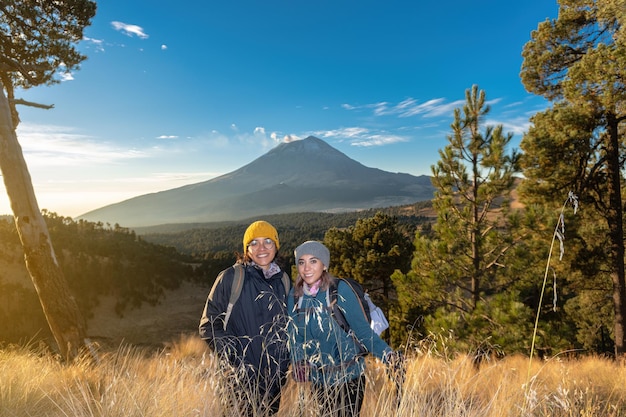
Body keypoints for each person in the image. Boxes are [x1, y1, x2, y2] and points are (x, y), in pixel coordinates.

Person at [287, 240, 404, 417]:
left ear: (324, 265)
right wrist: (299, 361)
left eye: (313, 261)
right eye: (301, 262)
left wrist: (389, 356)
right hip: (319, 382)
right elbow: (294, 337)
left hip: (350, 379)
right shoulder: (295, 297)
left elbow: (363, 332)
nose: (306, 268)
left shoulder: (339, 290)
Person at [199, 220, 291, 416]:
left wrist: (283, 366)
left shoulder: (283, 281)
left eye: (268, 241)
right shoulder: (231, 278)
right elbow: (208, 326)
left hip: (273, 385)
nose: (262, 248)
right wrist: (237, 363)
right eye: (254, 243)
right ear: (247, 249)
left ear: (276, 246)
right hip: (238, 385)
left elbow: (287, 327)